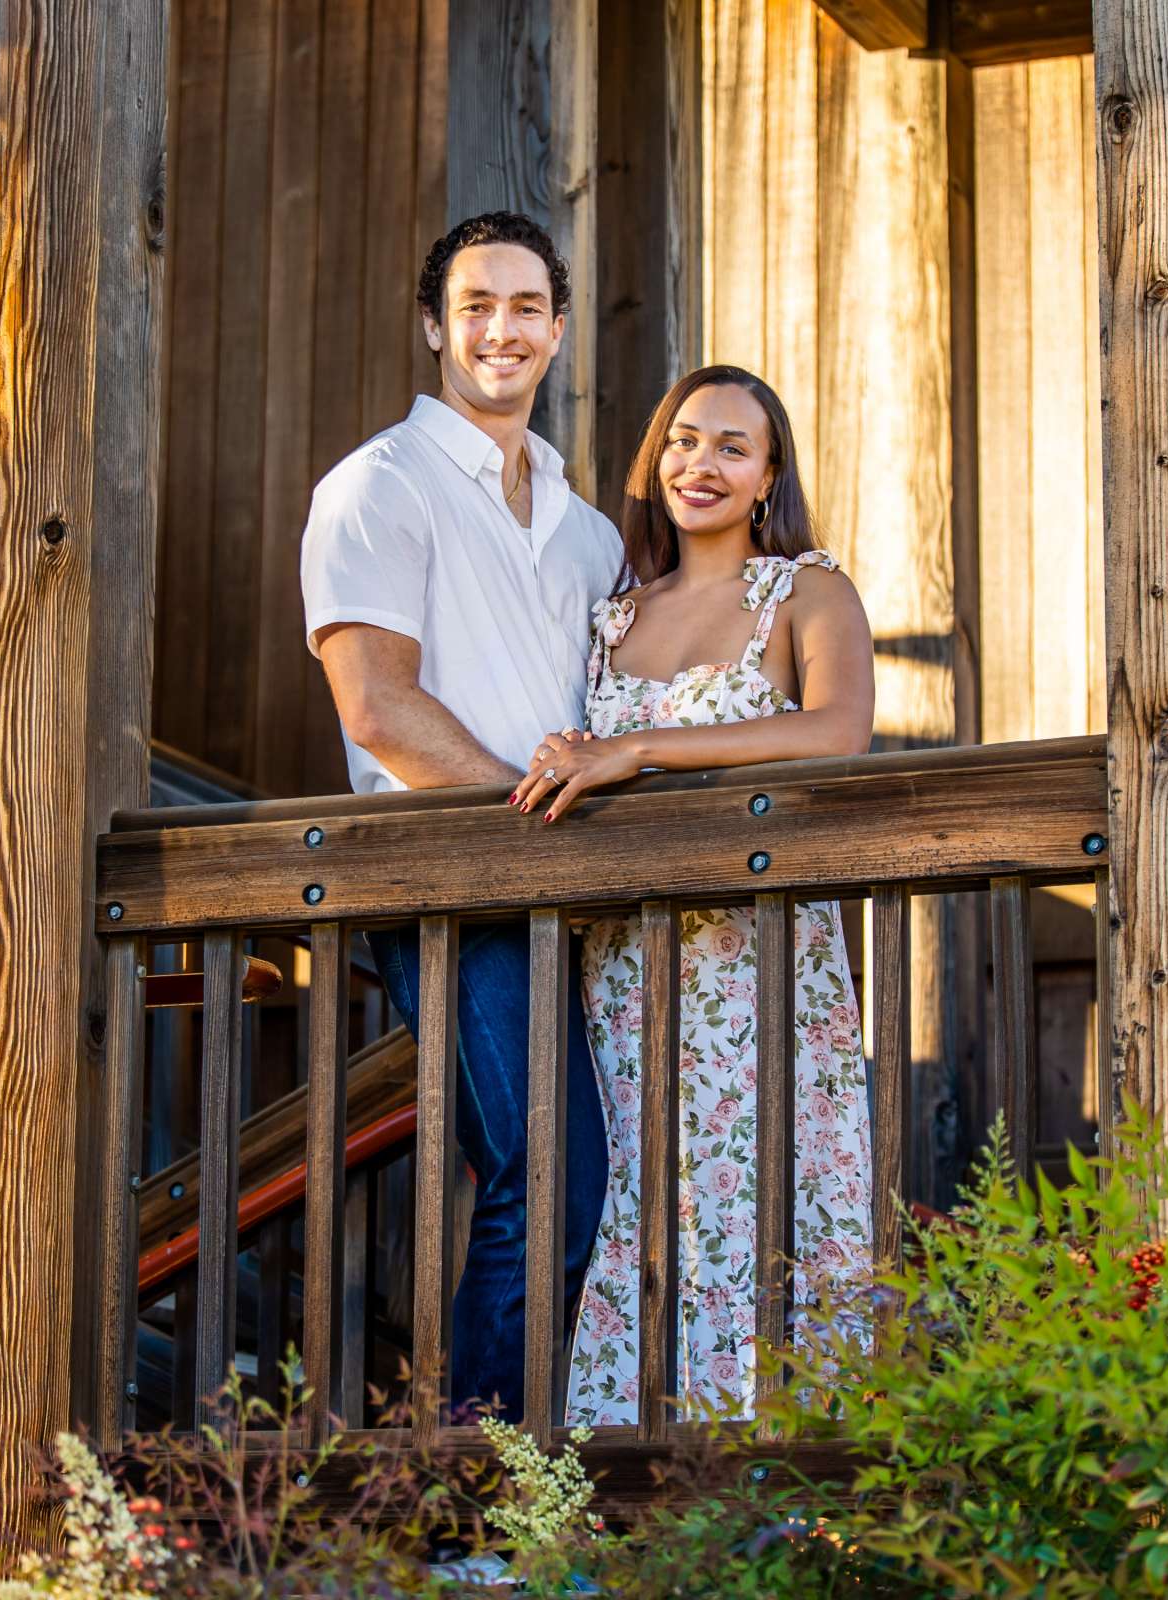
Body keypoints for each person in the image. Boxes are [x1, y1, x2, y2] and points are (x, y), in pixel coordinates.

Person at [507, 366, 877, 1427]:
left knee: (765, 1185)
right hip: (627, 968)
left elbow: (836, 731)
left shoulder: (806, 589)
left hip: (762, 962)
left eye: (729, 446)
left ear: (768, 475)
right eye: (681, 440)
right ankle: (630, 1477)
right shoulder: (611, 614)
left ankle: (787, 1474)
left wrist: (639, 750)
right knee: (643, 1197)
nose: (699, 464)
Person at [300, 211, 616, 1422]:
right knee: (547, 1171)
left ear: (558, 331)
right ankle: (472, 1495)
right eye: (475, 305)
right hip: (460, 887)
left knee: (603, 1176)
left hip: (588, 895)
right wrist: (521, 818)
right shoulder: (379, 485)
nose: (501, 328)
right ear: (435, 325)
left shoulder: (585, 530)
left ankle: (562, 1469)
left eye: (527, 307)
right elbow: (377, 708)